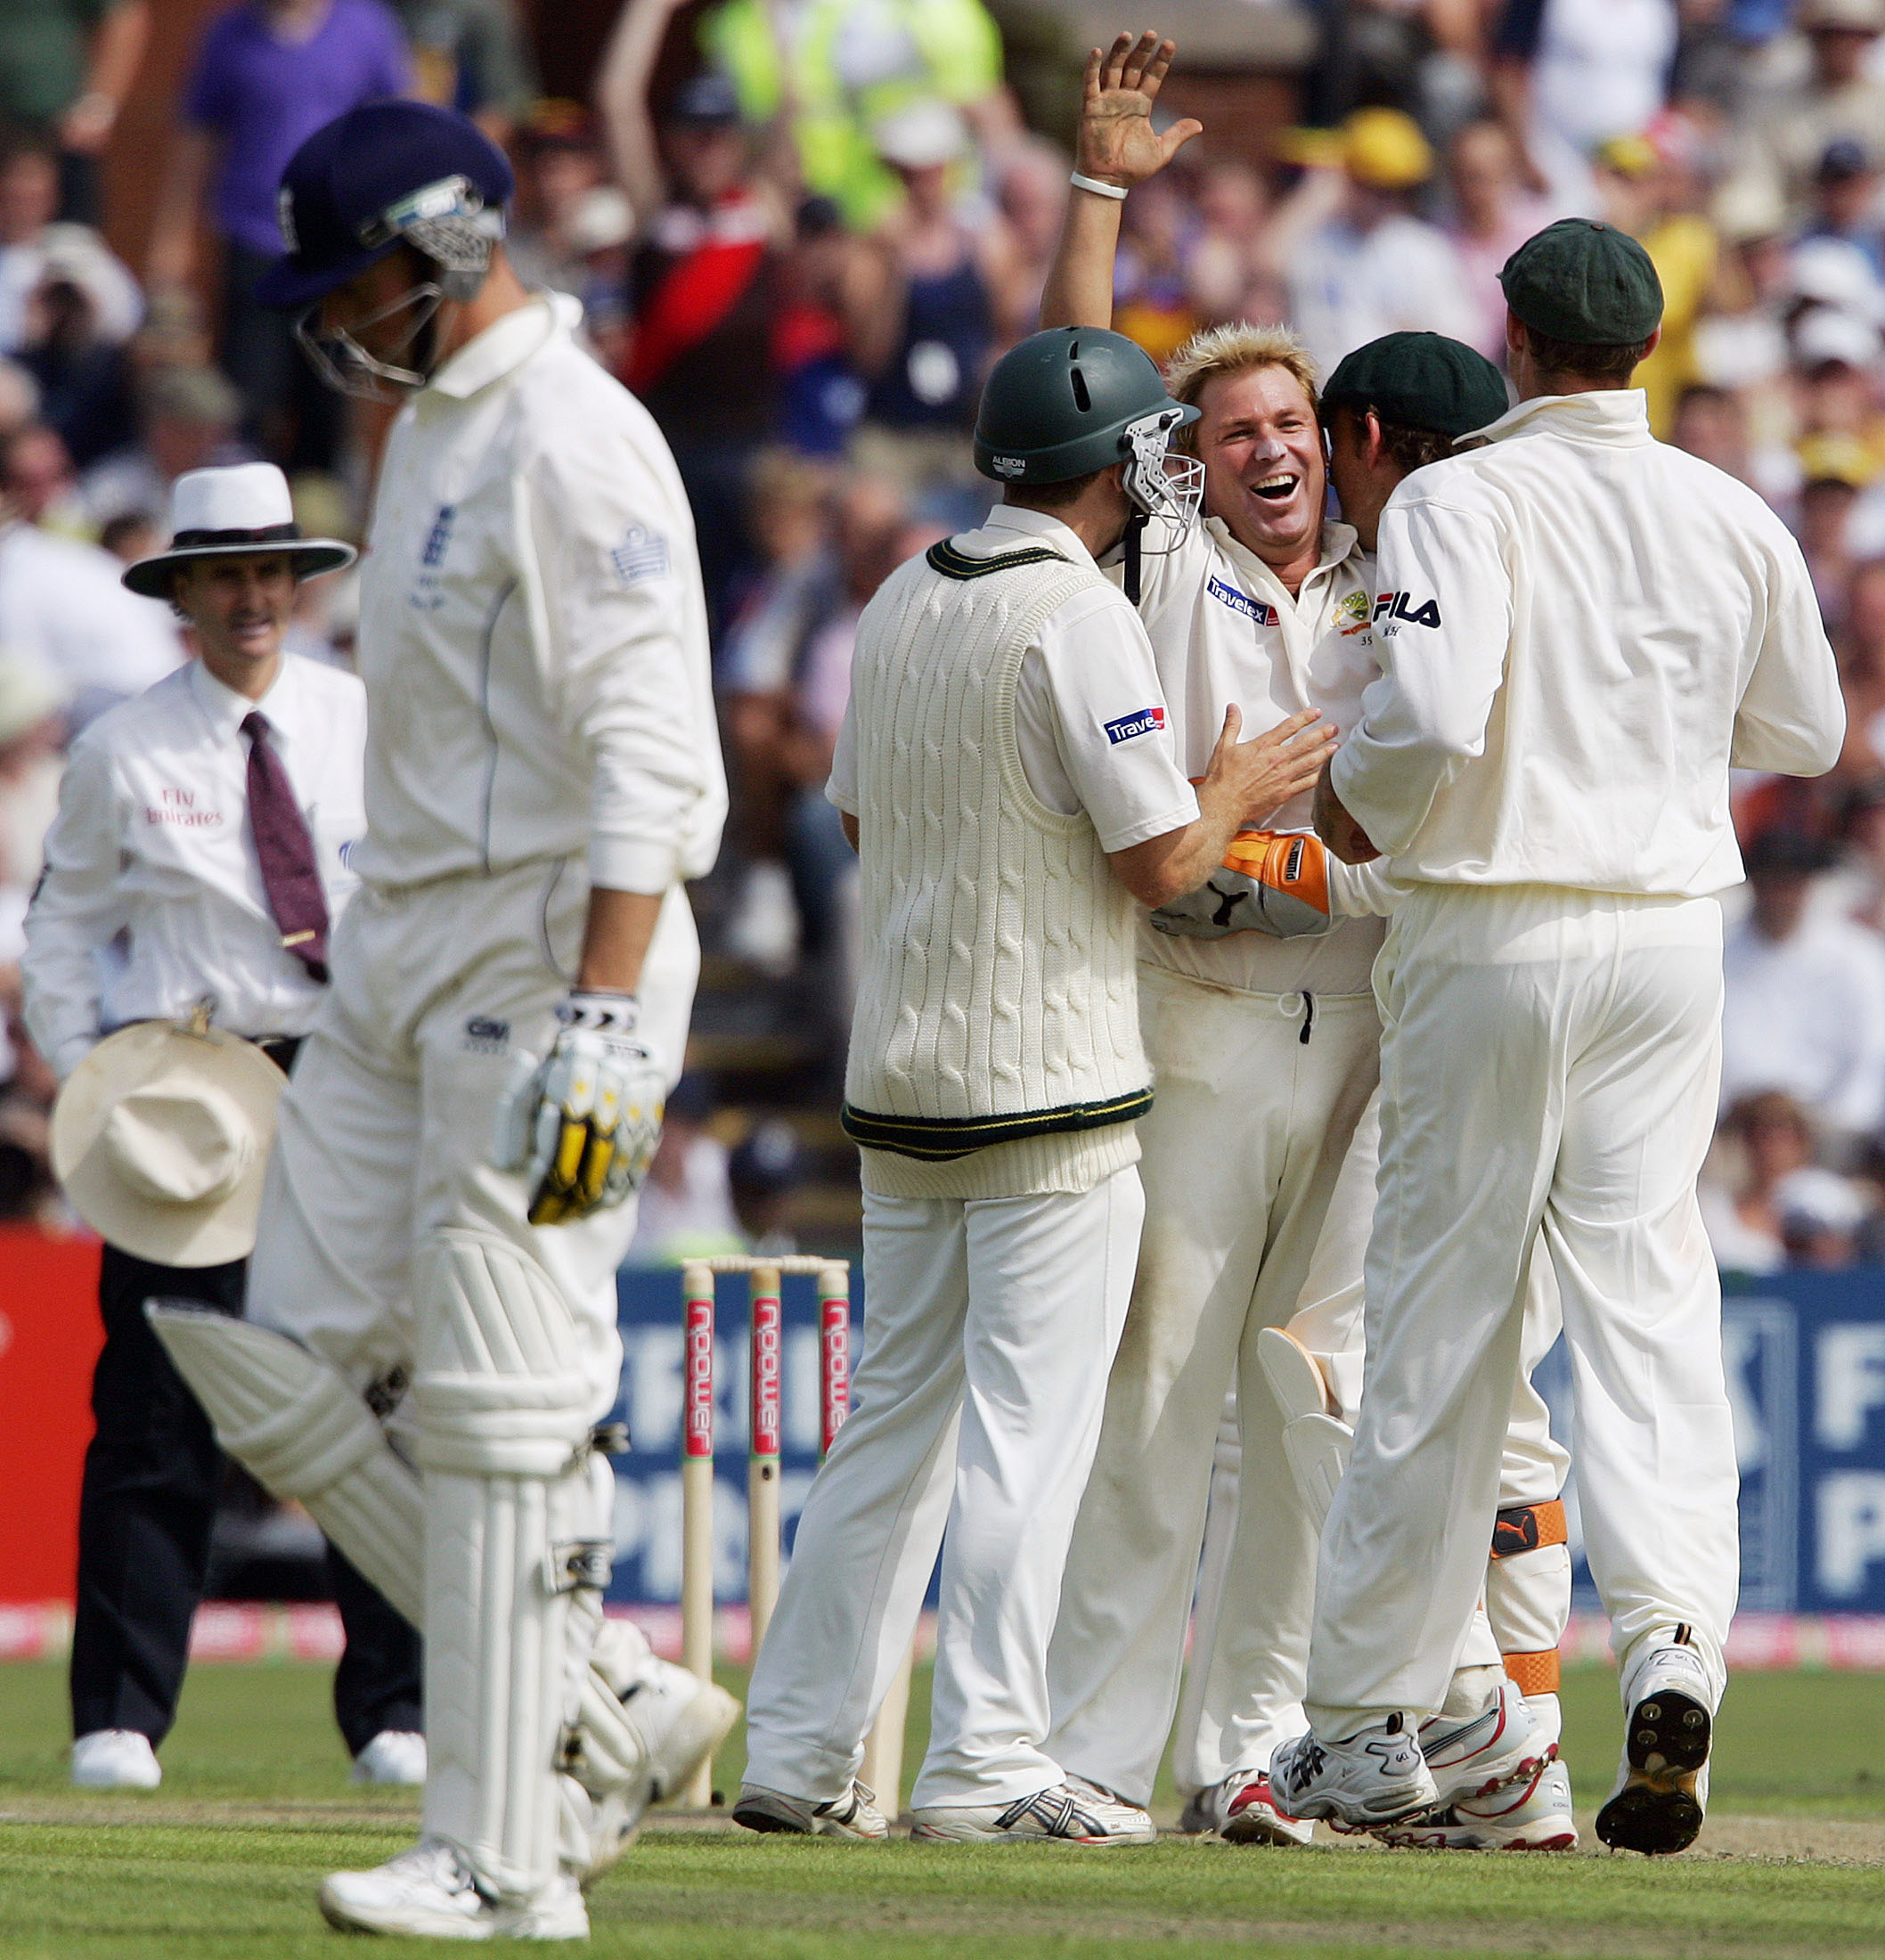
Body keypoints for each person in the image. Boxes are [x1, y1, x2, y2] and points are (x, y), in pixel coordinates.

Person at [146, 101, 733, 1939]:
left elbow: (651, 748)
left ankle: (505, 1856)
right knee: (292, 1353)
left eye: (357, 282)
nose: (335, 320)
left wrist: (600, 1015)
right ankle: (605, 1696)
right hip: (403, 949)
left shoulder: (578, 443)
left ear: (449, 246)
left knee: (500, 1393)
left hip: (548, 955)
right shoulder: (423, 439)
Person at [1032, 31, 1562, 1857]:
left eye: (1287, 427)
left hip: (1364, 1026)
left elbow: (1408, 820)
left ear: (1330, 452)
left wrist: (1311, 859)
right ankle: (1094, 1756)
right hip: (1198, 1008)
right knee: (1160, 1382)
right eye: (1230, 429)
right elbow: (1063, 394)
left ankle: (1244, 1750)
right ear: (1189, 459)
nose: (1264, 449)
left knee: (1299, 1404)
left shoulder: (1388, 587)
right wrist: (1098, 194)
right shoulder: (1162, 561)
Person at [1274, 216, 1844, 1857]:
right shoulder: (1726, 510)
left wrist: (1350, 801)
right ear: (1647, 351)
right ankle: (1673, 1653)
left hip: (1496, 924)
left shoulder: (1463, 494)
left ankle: (1366, 1718)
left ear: (1512, 342)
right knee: (1649, 1300)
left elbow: (1436, 718)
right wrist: (1648, 724)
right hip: (1670, 935)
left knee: (1443, 1318)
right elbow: (1802, 726)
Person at [734, 324, 1332, 1844]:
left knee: (891, 1429)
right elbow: (1160, 861)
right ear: (1122, 463)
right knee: (1025, 1434)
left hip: (902, 1076)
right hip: (1049, 1091)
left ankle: (800, 1756)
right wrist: (1240, 790)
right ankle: (985, 1767)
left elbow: (866, 821)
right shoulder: (1078, 616)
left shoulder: (895, 598)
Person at [20, 460, 424, 1793]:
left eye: (270, 572)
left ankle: (395, 1715)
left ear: (296, 587)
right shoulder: (123, 746)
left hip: (351, 1082)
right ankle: (119, 1720)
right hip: (190, 1092)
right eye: (225, 575)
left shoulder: (367, 719)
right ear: (181, 590)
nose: (252, 597)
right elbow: (64, 935)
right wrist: (97, 1088)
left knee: (376, 1400)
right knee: (156, 1408)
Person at [147, 0, 412, 472]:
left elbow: (396, 129)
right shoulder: (229, 33)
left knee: (327, 398)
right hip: (252, 241)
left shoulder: (366, 26)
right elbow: (196, 138)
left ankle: (318, 509)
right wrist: (172, 237)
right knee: (246, 397)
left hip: (335, 248)